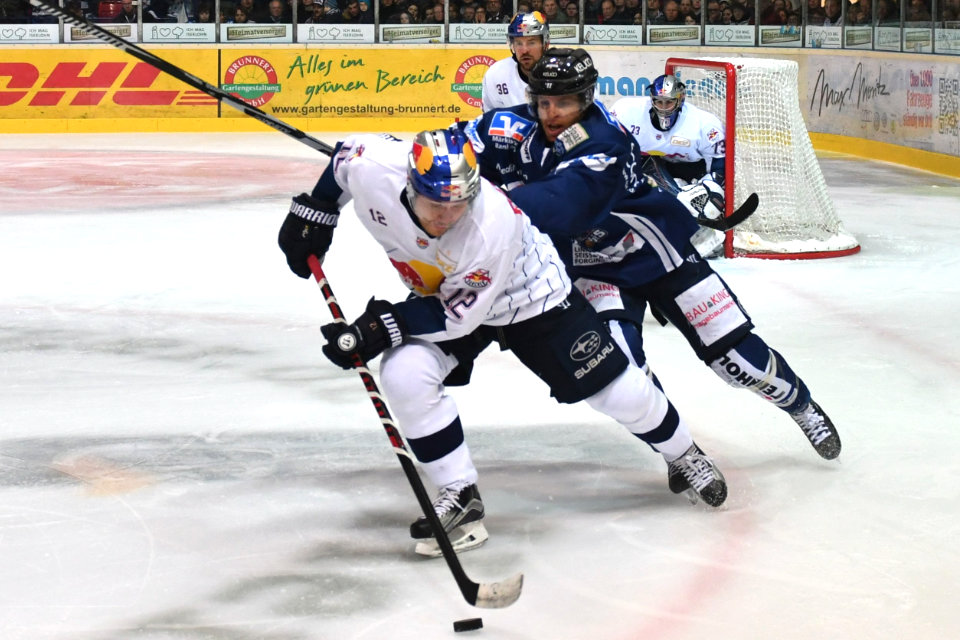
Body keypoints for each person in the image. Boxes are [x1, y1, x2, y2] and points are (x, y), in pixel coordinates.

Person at [277, 130, 728, 555]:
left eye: (458, 205)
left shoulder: (487, 226)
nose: (445, 217)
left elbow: (457, 318)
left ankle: (683, 452)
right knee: (403, 372)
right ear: (411, 184)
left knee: (618, 392)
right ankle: (459, 494)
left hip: (532, 298)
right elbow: (342, 160)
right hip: (447, 294)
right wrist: (315, 211)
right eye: (435, 204)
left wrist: (379, 327)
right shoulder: (374, 165)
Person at [459, 48, 842, 465]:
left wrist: (489, 211)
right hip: (592, 266)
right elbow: (454, 146)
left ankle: (800, 404)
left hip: (657, 253)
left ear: (586, 99)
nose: (551, 113)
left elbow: (560, 202)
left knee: (735, 358)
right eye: (544, 102)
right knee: (623, 370)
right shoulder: (513, 125)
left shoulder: (603, 139)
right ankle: (678, 453)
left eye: (564, 102)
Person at [611, 74, 727, 258]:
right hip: (648, 165)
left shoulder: (705, 124)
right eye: (659, 101)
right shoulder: (626, 111)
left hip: (692, 170)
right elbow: (612, 151)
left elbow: (721, 168)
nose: (663, 108)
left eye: (669, 102)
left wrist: (704, 191)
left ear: (680, 100)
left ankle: (699, 228)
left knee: (706, 200)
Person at [481, 11, 548, 111]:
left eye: (531, 43)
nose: (524, 50)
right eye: (519, 43)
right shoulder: (496, 74)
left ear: (545, 43)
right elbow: (490, 118)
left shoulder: (562, 75)